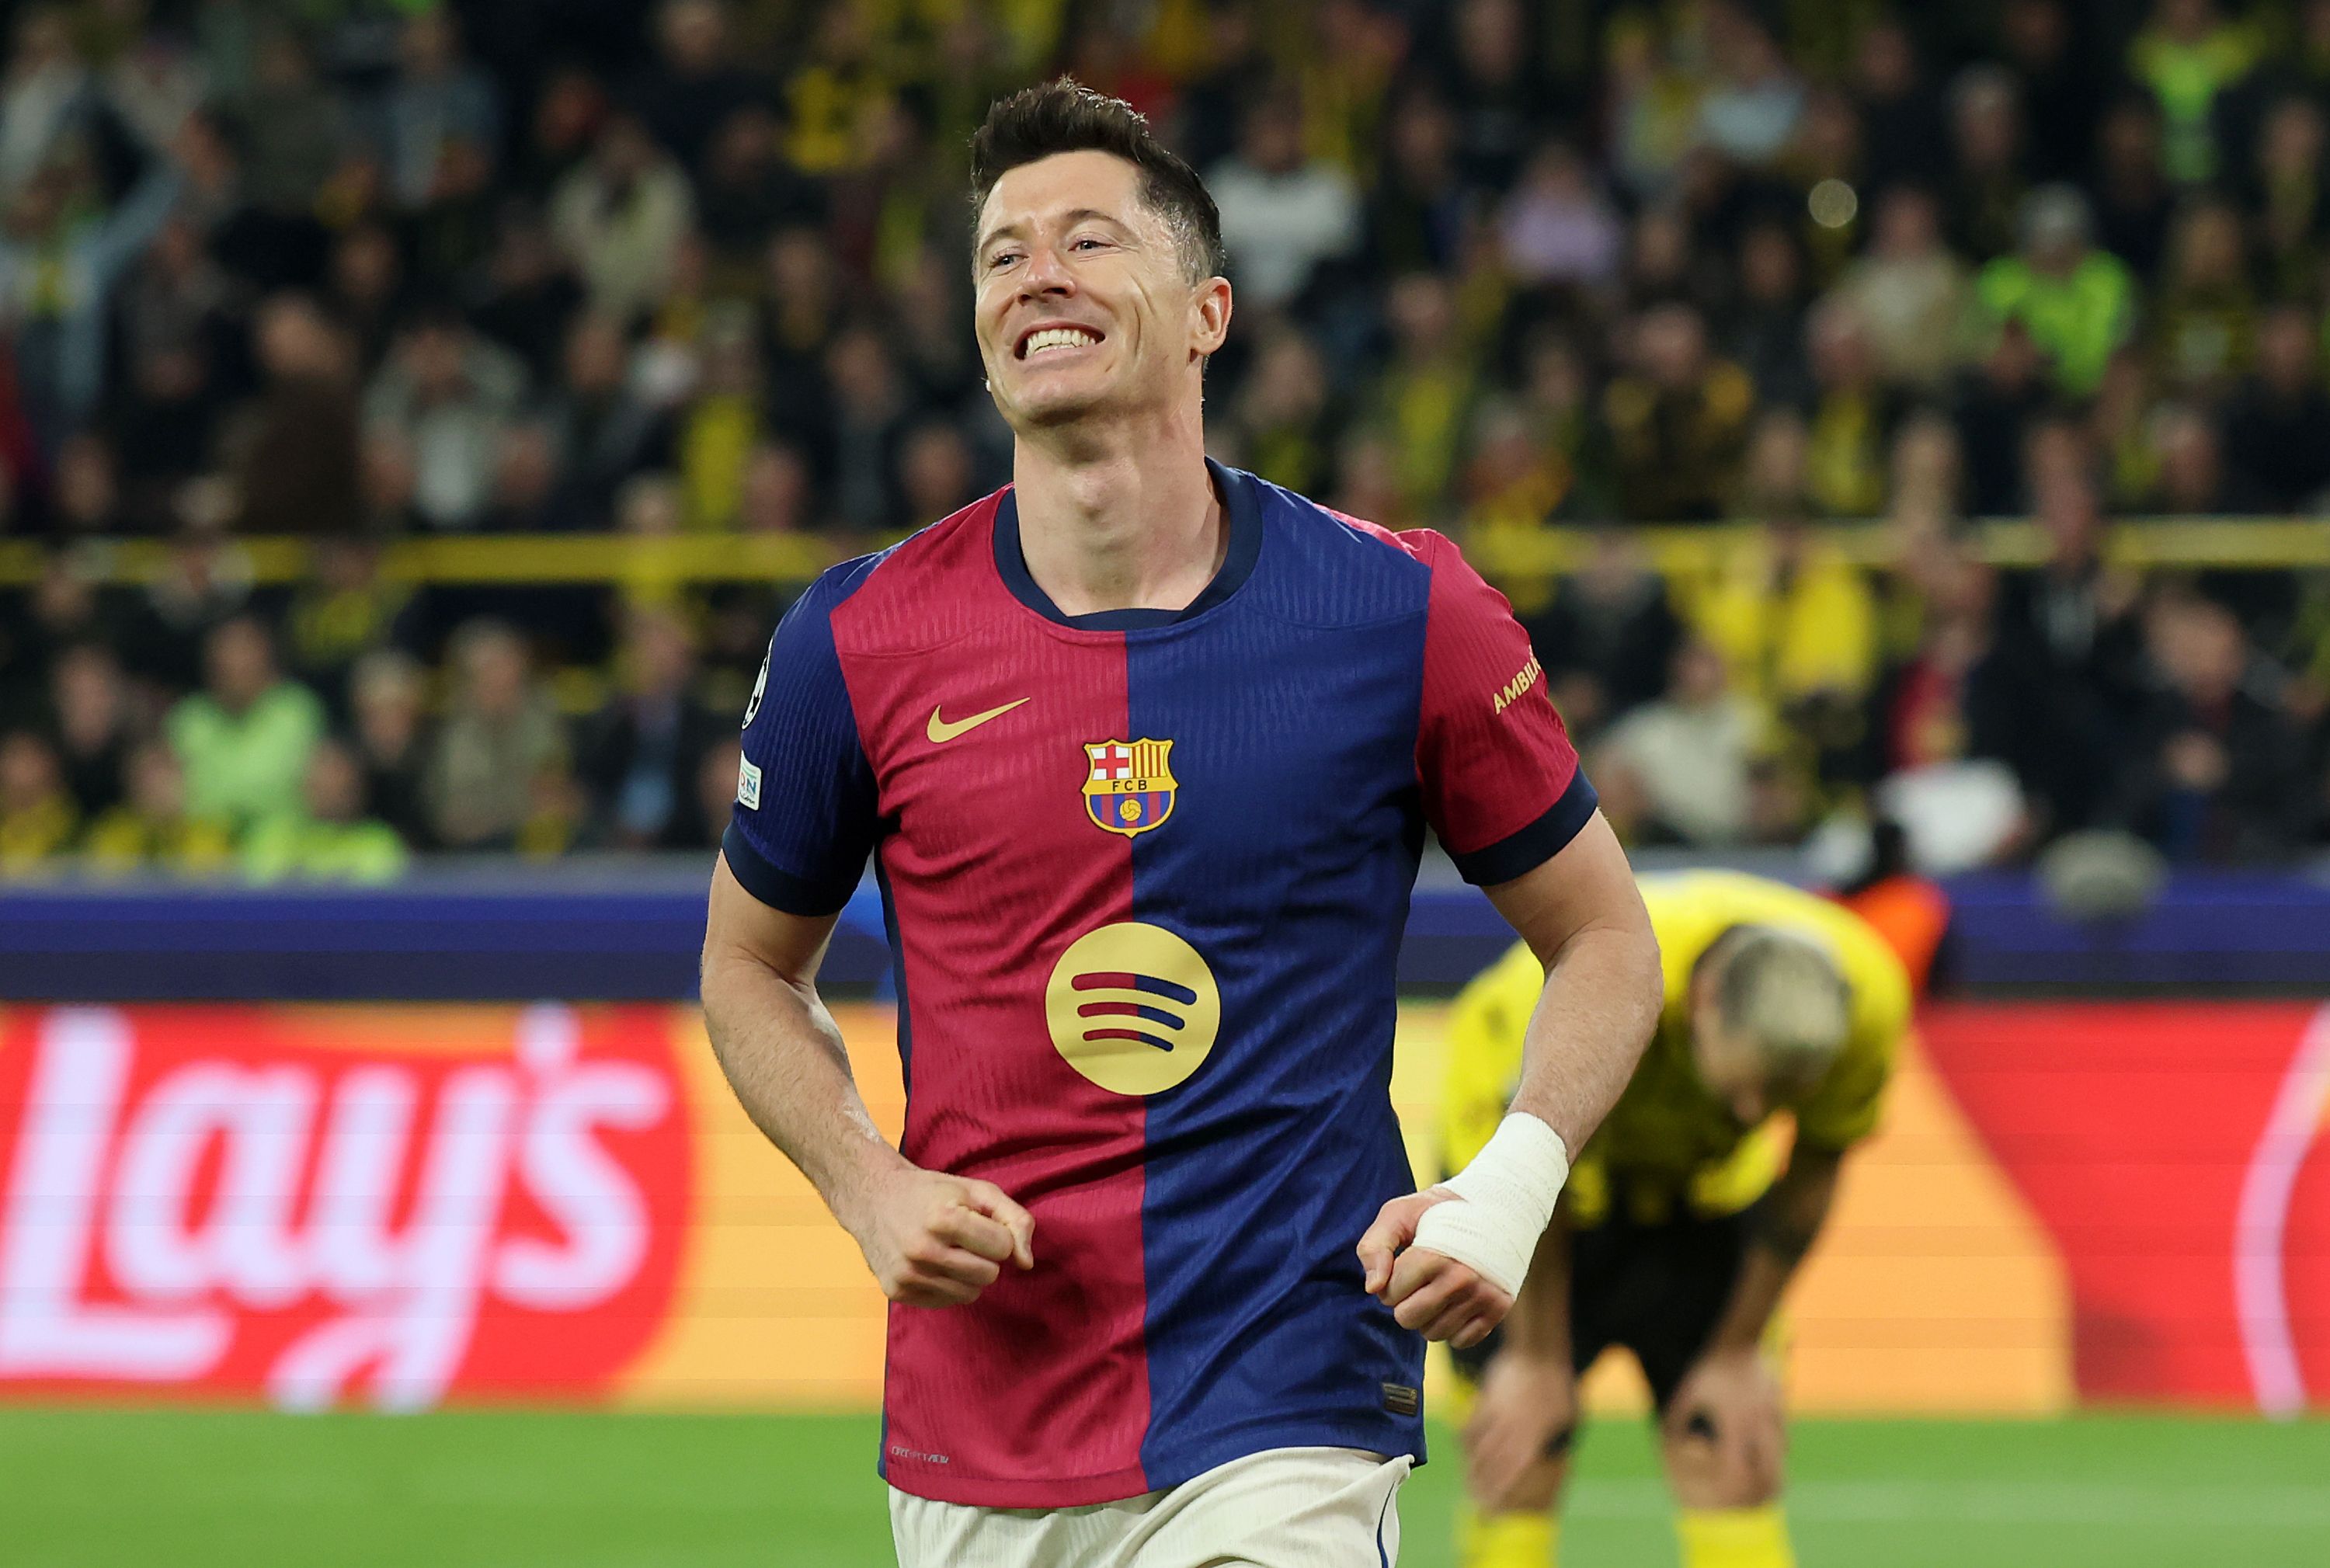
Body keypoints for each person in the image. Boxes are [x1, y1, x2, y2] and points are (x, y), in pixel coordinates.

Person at [699, 81, 1662, 1568]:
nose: (1037, 275)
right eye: (1002, 254)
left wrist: (1510, 1182)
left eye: (1088, 239)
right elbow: (749, 964)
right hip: (984, 1405)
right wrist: (865, 1180)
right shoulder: (857, 638)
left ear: (1210, 312)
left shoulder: (1401, 610)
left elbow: (1604, 933)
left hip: (1290, 1380)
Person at [1444, 870, 1911, 1568]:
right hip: (1524, 1174)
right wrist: (1535, 1358)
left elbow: (1816, 1166)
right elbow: (1536, 1181)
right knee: (1524, 1450)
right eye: (1746, 1084)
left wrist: (1738, 1349)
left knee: (1726, 1446)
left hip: (1703, 1195)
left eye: (1781, 1094)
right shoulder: (1593, 987)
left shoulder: (1869, 1003)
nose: (1753, 1112)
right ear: (1704, 1000)